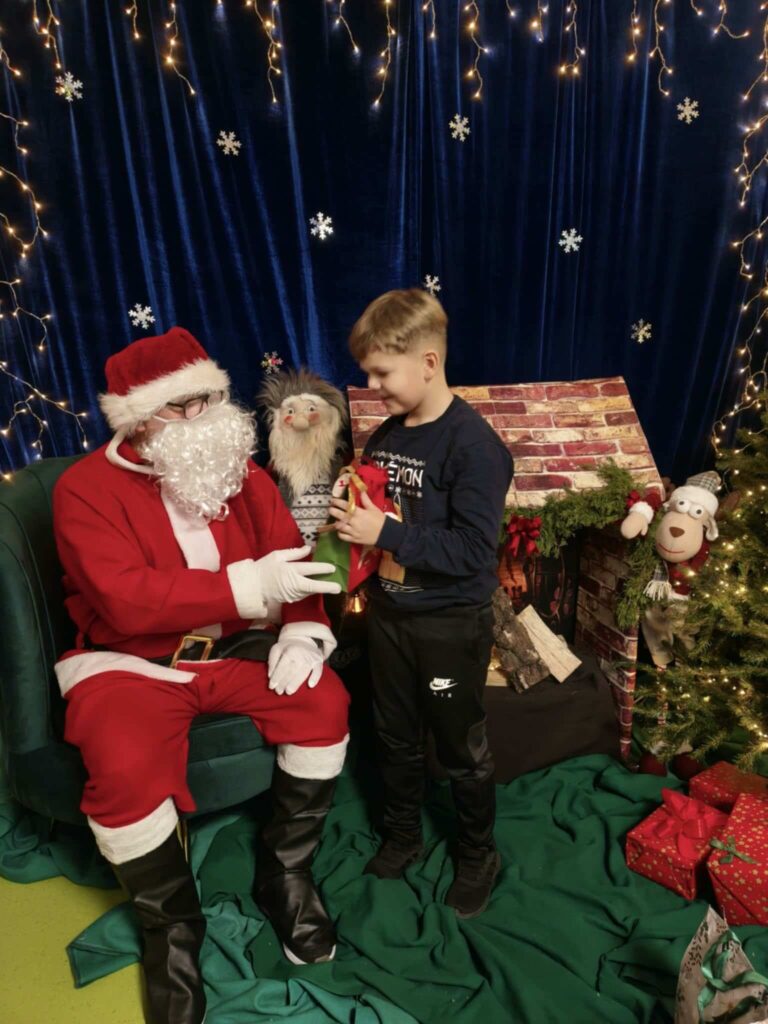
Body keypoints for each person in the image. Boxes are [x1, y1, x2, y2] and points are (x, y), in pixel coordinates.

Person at [53, 327, 348, 1024]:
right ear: (137, 420)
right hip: (132, 662)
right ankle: (172, 931)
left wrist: (303, 631)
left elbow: (294, 563)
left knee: (323, 702)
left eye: (208, 400)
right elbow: (125, 600)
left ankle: (285, 875)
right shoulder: (83, 490)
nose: (201, 418)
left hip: (235, 651)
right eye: (179, 407)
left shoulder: (241, 475)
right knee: (121, 766)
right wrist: (250, 585)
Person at [329, 289, 514, 919]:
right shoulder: (386, 434)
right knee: (394, 735)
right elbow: (381, 505)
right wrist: (352, 507)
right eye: (368, 373)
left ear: (429, 362)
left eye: (382, 372)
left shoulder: (475, 447)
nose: (372, 386)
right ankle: (403, 835)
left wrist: (385, 532)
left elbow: (473, 551)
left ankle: (478, 853)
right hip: (390, 617)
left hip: (449, 625)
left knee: (460, 747)